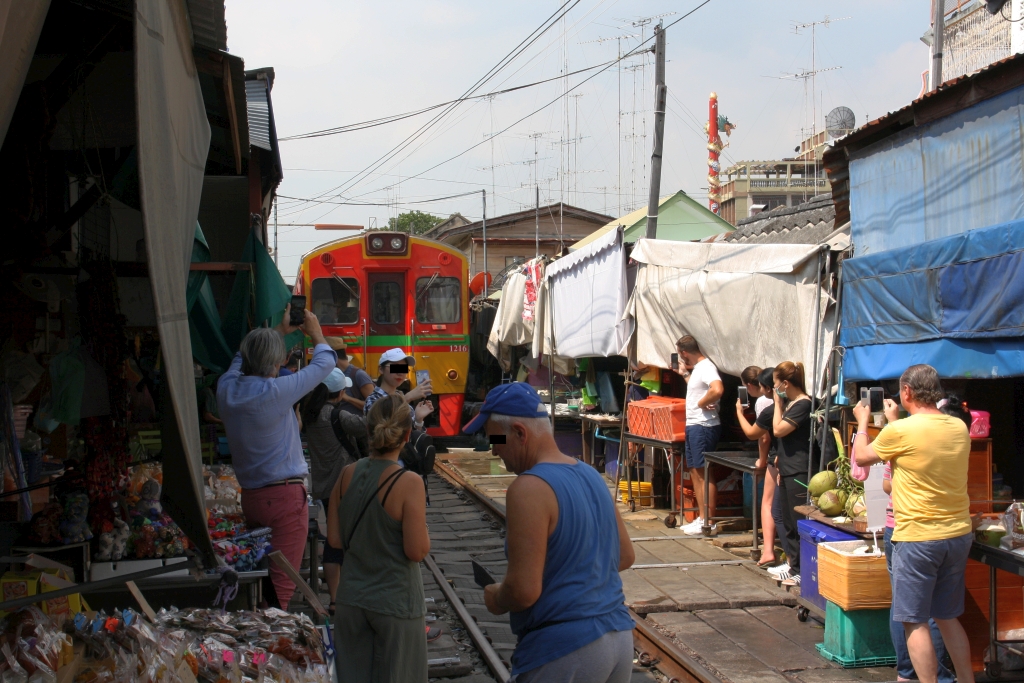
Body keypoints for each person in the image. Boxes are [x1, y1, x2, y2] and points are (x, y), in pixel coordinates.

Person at [464, 383, 636, 683]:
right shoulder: (590, 475)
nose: (493, 449)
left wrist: (496, 597)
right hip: (618, 638)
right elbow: (624, 556)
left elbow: (523, 591)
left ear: (520, 432)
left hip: (566, 649)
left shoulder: (528, 488)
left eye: (496, 439)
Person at [854, 365, 975, 683]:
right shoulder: (957, 427)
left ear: (906, 391)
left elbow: (862, 458)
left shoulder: (901, 431)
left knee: (914, 621)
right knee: (948, 617)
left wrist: (864, 421)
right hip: (957, 533)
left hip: (918, 536)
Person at [218, 306, 335, 609]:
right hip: (283, 499)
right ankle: (268, 639)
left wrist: (279, 333)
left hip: (252, 497)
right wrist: (314, 331)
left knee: (259, 577)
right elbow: (325, 362)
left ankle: (257, 630)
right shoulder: (276, 391)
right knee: (280, 589)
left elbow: (239, 358)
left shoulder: (226, 389)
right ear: (279, 362)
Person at [328, 394, 431, 683]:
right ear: (408, 435)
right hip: (396, 603)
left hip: (351, 601)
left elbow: (334, 540)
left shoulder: (347, 473)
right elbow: (416, 551)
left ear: (369, 430)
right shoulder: (408, 482)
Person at [302, 368, 363, 617]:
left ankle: (336, 599)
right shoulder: (340, 416)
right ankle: (354, 596)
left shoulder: (310, 414)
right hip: (348, 486)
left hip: (324, 487)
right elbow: (370, 425)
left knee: (333, 538)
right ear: (340, 393)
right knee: (352, 540)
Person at [766, 361, 812, 586]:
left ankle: (802, 569)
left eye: (776, 385)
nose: (775, 390)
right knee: (785, 518)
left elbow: (778, 430)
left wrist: (777, 403)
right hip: (786, 468)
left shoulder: (803, 404)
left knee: (798, 520)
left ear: (785, 383)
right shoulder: (793, 403)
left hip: (798, 470)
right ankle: (794, 564)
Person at [675, 336, 723, 535]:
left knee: (704, 473)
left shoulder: (706, 367)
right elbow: (698, 390)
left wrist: (703, 403)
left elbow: (717, 388)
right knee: (695, 470)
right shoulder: (697, 370)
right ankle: (701, 517)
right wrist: (685, 375)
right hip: (694, 424)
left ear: (684, 352)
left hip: (703, 425)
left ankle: (708, 520)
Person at [734, 366, 782, 567]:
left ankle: (768, 549)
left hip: (776, 458)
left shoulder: (764, 402)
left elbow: (762, 436)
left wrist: (762, 461)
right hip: (789, 457)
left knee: (768, 503)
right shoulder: (794, 401)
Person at [364, 348, 434, 429]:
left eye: (404, 368)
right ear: (381, 369)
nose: (400, 373)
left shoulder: (402, 398)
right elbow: (381, 430)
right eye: (395, 367)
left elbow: (412, 437)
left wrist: (418, 420)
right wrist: (407, 398)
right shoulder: (373, 399)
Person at [335, 345, 375, 415]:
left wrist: (348, 398)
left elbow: (374, 406)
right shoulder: (331, 374)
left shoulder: (359, 375)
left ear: (334, 357)